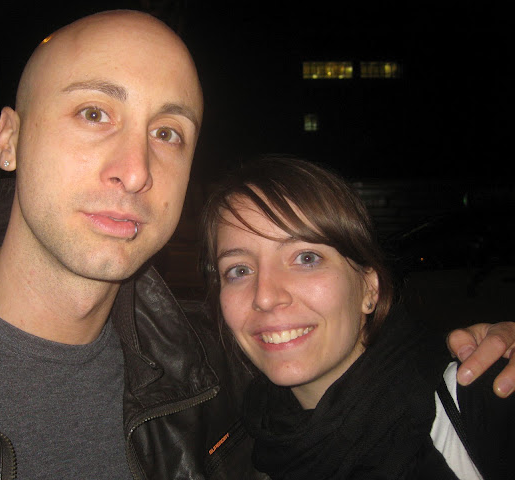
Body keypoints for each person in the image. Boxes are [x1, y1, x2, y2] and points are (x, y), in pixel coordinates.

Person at [0, 9, 512, 480]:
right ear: (8, 139)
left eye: (168, 133)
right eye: (94, 113)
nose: (136, 170)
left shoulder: (212, 378)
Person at [201, 155, 514, 479]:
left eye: (306, 258)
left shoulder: (483, 399)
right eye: (239, 270)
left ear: (369, 288)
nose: (265, 297)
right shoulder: (237, 442)